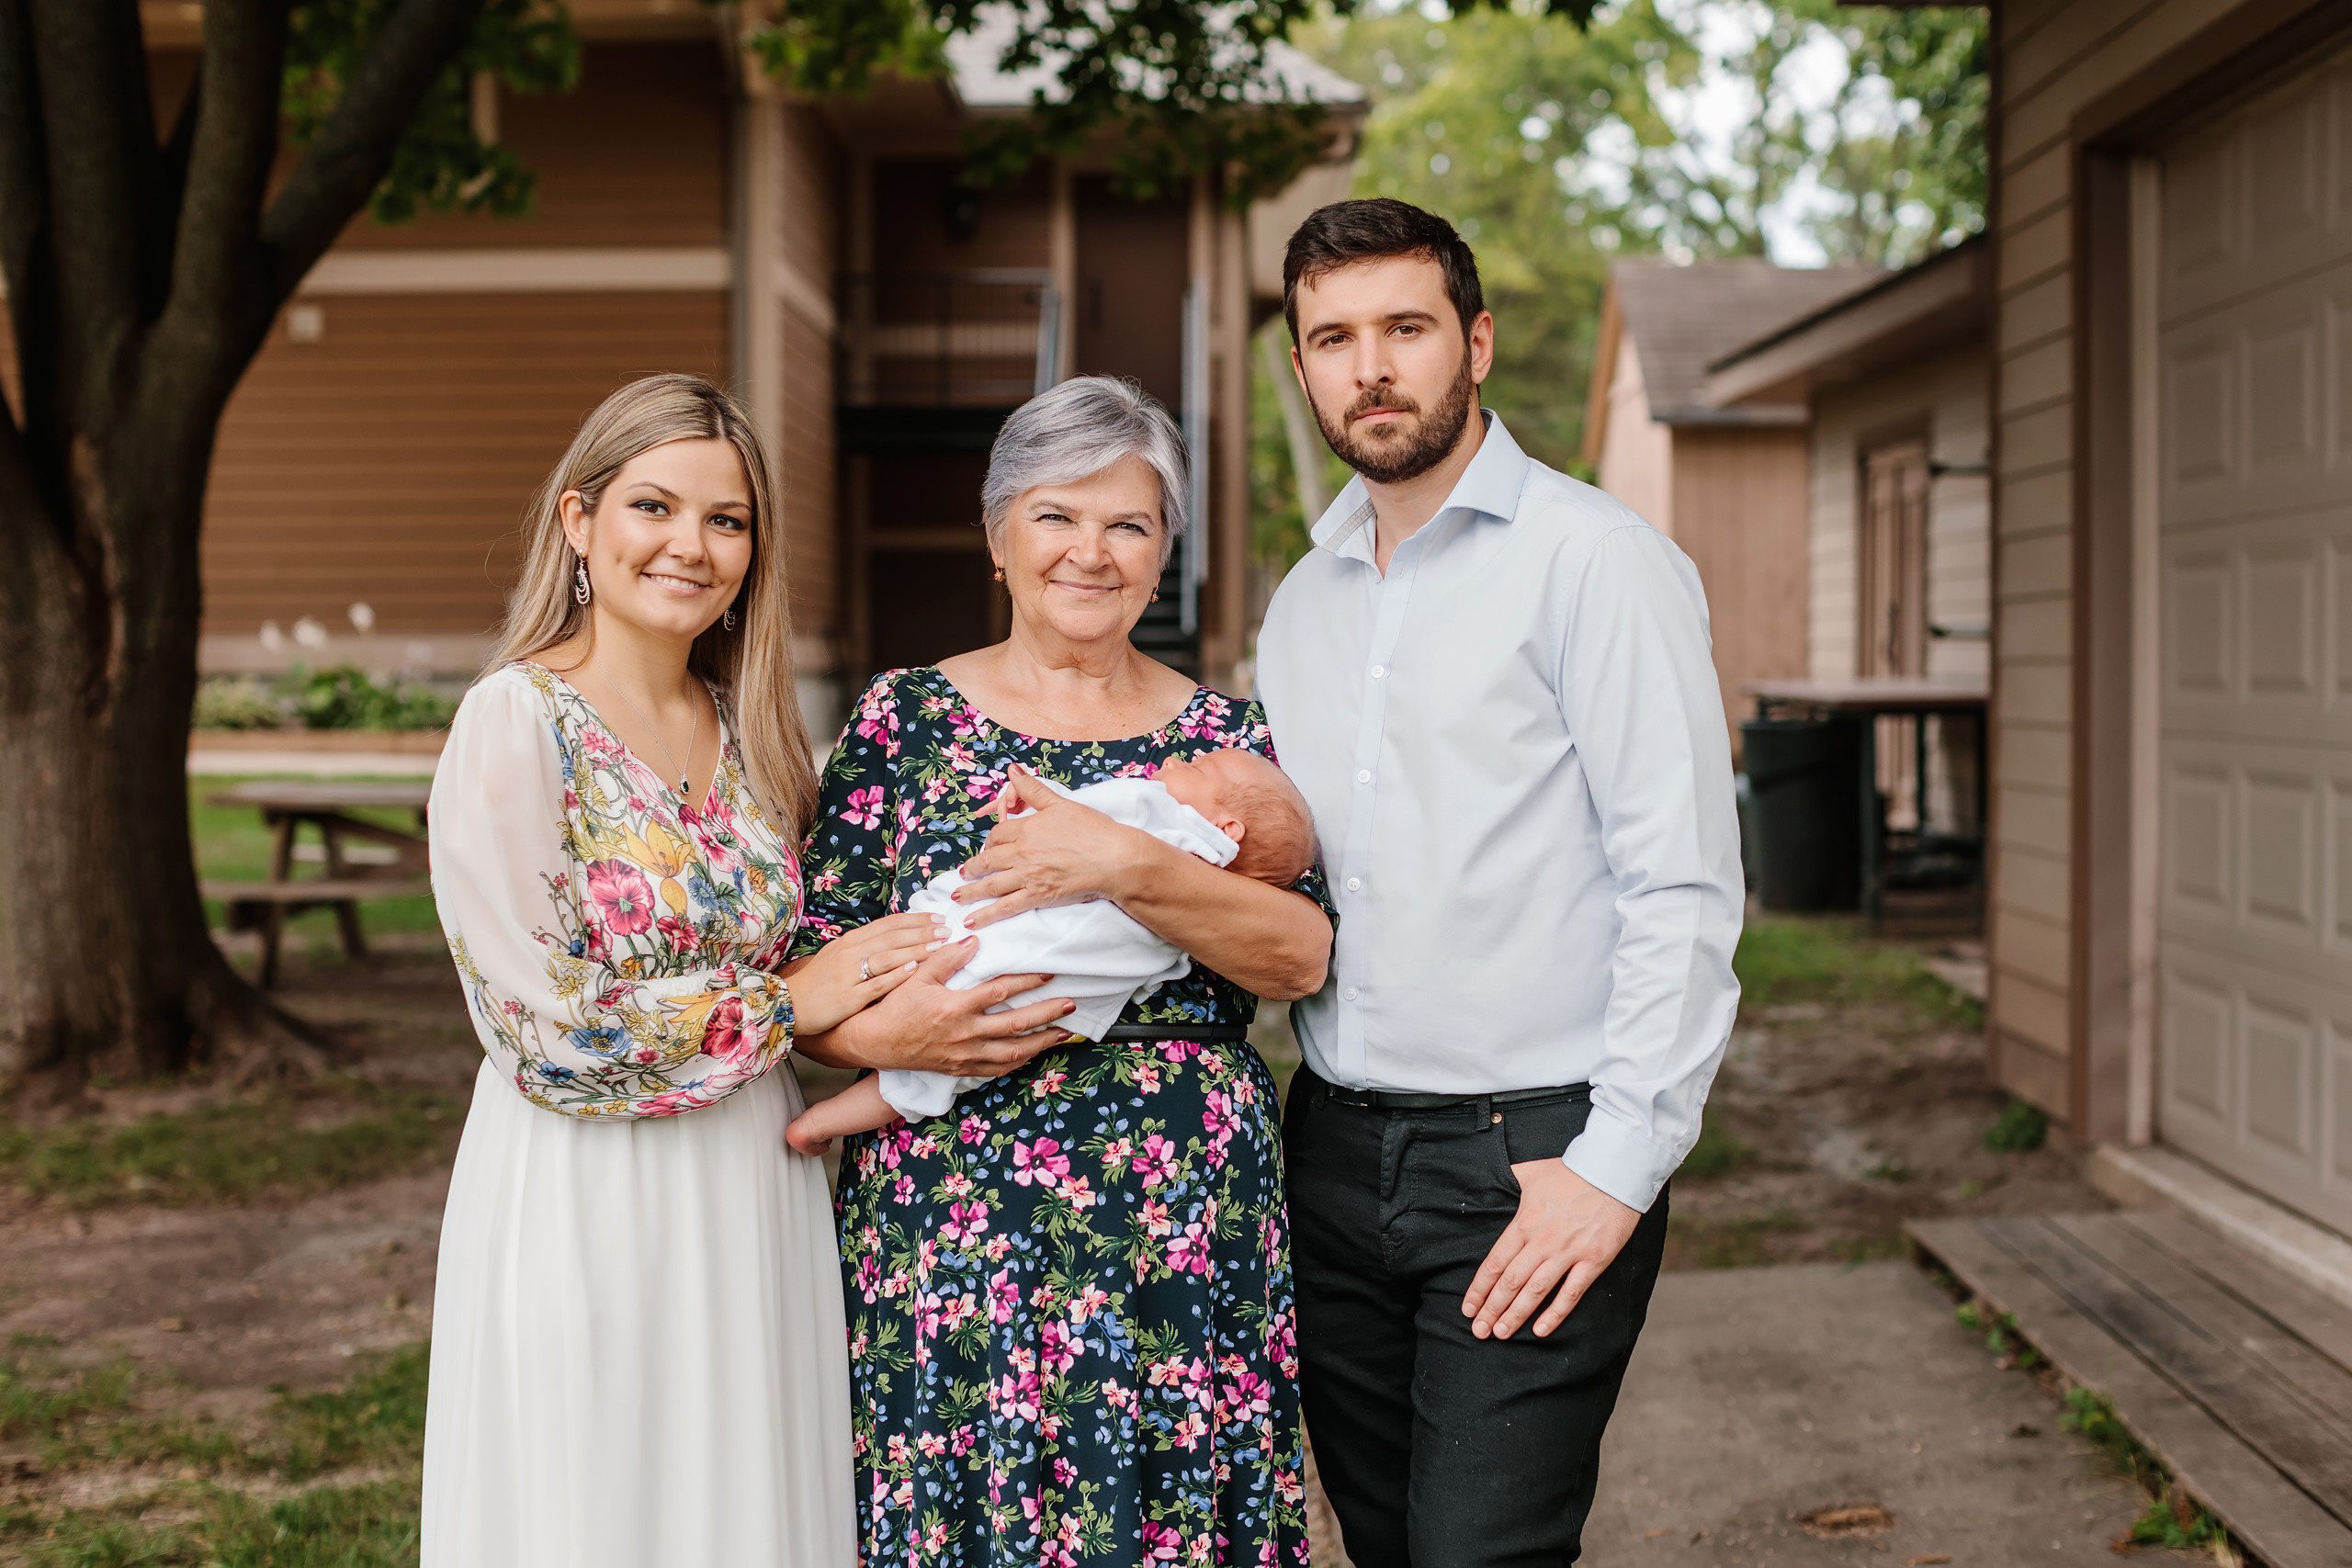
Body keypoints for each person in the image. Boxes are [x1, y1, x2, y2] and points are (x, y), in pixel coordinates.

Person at [1253, 199, 1745, 1565]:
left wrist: (1618, 1161)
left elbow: (1685, 886)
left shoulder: (1595, 562)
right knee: (1392, 1543)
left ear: (1474, 340)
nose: (1372, 368)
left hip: (1530, 1153)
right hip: (1335, 1148)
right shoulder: (1304, 602)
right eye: (1333, 338)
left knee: (1482, 1551)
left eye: (1404, 328)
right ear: (1302, 368)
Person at [786, 375, 1332, 1567]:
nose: (1092, 550)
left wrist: (1128, 864)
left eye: (1129, 523)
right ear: (998, 536)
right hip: (953, 1207)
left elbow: (1300, 953)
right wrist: (892, 1041)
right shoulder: (905, 716)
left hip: (1177, 1206)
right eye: (1057, 515)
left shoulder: (1229, 739)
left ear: (1164, 552)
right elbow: (809, 982)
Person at [420, 374, 948, 1566]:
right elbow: (540, 1027)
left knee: (743, 1507)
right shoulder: (516, 721)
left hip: (751, 1188)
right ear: (577, 521)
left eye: (728, 519)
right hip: (583, 1186)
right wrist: (784, 1005)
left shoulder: (753, 731)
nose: (691, 546)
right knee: (599, 1505)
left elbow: (802, 957)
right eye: (654, 506)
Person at [786, 748, 1316, 1155]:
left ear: (1227, 831)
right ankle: (821, 1122)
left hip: (1164, 1131)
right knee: (933, 1072)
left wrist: (1037, 802)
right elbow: (804, 969)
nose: (1177, 758)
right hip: (1036, 1005)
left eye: (1199, 768)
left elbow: (1081, 817)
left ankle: (822, 1119)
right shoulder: (899, 708)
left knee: (940, 1019)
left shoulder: (1172, 815)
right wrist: (877, 1038)